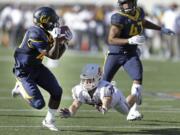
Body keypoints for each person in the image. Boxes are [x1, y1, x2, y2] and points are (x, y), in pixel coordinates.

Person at [102, 0, 175, 121]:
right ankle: (99, 101)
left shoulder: (139, 12)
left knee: (138, 78)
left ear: (134, 3)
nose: (125, 6)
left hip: (131, 54)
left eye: (128, 3)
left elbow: (143, 22)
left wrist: (160, 29)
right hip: (115, 53)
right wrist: (129, 41)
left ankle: (133, 111)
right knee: (104, 82)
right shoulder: (118, 18)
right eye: (123, 3)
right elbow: (111, 39)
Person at [11, 6, 72, 131]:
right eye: (52, 20)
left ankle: (49, 121)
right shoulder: (35, 33)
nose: (55, 23)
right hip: (24, 72)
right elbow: (52, 55)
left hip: (37, 67)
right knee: (39, 104)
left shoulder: (45, 32)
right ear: (44, 21)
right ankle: (19, 87)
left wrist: (64, 43)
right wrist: (56, 41)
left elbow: (57, 56)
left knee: (57, 91)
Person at [59, 64, 137, 119]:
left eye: (89, 80)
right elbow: (75, 105)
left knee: (126, 110)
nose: (86, 83)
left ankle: (136, 95)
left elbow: (107, 100)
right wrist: (70, 112)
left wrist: (104, 108)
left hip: (115, 98)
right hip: (100, 101)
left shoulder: (104, 88)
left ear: (98, 78)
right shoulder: (79, 90)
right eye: (84, 80)